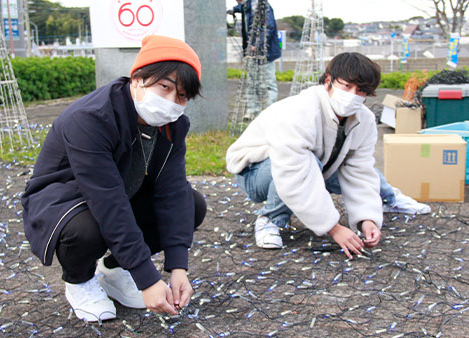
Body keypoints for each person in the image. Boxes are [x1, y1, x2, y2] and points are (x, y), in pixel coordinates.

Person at [21, 35, 206, 322]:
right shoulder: (90, 118)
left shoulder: (174, 125)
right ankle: (79, 281)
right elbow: (107, 201)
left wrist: (178, 268)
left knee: (191, 203)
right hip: (67, 202)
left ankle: (115, 270)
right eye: (164, 87)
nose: (171, 102)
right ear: (137, 79)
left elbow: (172, 190)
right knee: (87, 229)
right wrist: (147, 278)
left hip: (122, 193)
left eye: (181, 96)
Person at [226, 52, 383, 257]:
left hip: (316, 164)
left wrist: (367, 218)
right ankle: (270, 219)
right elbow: (293, 171)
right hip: (254, 172)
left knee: (372, 176)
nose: (353, 94)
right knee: (310, 165)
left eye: (361, 90)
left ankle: (391, 198)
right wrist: (333, 228)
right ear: (329, 80)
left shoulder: (365, 120)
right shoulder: (300, 111)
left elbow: (359, 170)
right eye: (347, 86)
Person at [231, 0, 281, 119]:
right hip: (251, 51)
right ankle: (252, 110)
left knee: (268, 83)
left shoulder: (261, 6)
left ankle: (270, 111)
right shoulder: (246, 5)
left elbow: (268, 27)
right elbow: (241, 7)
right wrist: (233, 9)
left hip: (266, 52)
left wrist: (256, 44)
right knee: (252, 82)